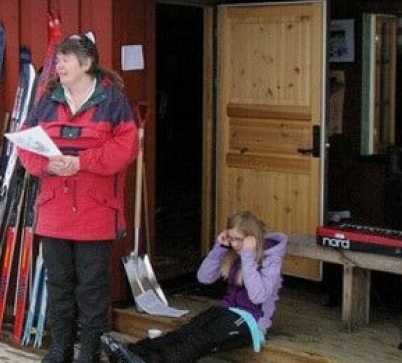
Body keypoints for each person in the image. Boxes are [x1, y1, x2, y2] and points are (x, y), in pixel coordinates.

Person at [16, 34, 139, 363]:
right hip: (54, 212)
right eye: (58, 59)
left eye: (66, 59)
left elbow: (126, 148)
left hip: (95, 214)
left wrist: (81, 163)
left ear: (86, 64)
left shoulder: (112, 102)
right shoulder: (47, 99)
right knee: (58, 285)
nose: (59, 65)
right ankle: (60, 349)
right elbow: (25, 145)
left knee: (92, 289)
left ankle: (89, 352)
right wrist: (47, 165)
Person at [101, 211, 288, 363]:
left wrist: (247, 257)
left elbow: (258, 296)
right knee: (185, 332)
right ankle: (131, 352)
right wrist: (219, 248)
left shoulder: (270, 260)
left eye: (238, 239)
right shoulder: (232, 252)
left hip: (250, 321)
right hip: (225, 309)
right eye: (231, 238)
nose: (234, 244)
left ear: (252, 239)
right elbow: (204, 278)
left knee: (198, 341)